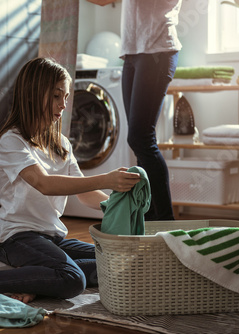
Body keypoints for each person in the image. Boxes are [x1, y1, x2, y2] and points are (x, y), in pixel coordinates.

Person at [0, 57, 141, 304]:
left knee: (116, 259)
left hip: (52, 238)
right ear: (33, 93)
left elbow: (84, 193)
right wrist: (107, 179)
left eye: (65, 97)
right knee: (73, 279)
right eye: (56, 96)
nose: (63, 105)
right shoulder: (12, 142)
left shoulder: (62, 145)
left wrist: (119, 206)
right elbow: (44, 183)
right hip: (15, 238)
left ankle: (35, 280)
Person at [88, 0, 182, 220]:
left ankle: (165, 223)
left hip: (156, 51)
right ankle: (147, 221)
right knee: (140, 142)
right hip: (132, 54)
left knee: (141, 139)